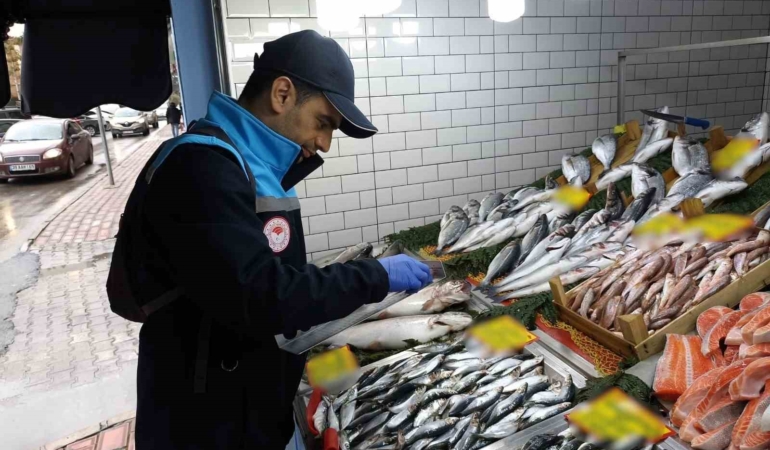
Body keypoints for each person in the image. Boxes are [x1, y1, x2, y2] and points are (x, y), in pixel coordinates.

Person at [123, 30, 433, 449]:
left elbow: (268, 279)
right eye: (324, 123)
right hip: (206, 428)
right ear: (282, 94)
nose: (324, 143)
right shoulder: (202, 167)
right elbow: (263, 295)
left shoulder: (253, 168)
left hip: (251, 411)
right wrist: (374, 275)